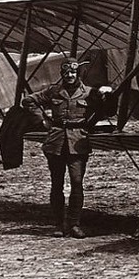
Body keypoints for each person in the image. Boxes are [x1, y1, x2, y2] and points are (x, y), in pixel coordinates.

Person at [23, 55, 111, 237]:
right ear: (62, 74)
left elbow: (109, 110)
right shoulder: (54, 91)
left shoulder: (89, 92)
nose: (70, 75)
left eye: (73, 72)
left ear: (78, 73)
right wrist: (42, 121)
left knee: (77, 183)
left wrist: (106, 96)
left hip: (78, 142)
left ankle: (74, 224)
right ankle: (59, 225)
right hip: (55, 142)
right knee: (57, 184)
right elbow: (29, 101)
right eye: (66, 72)